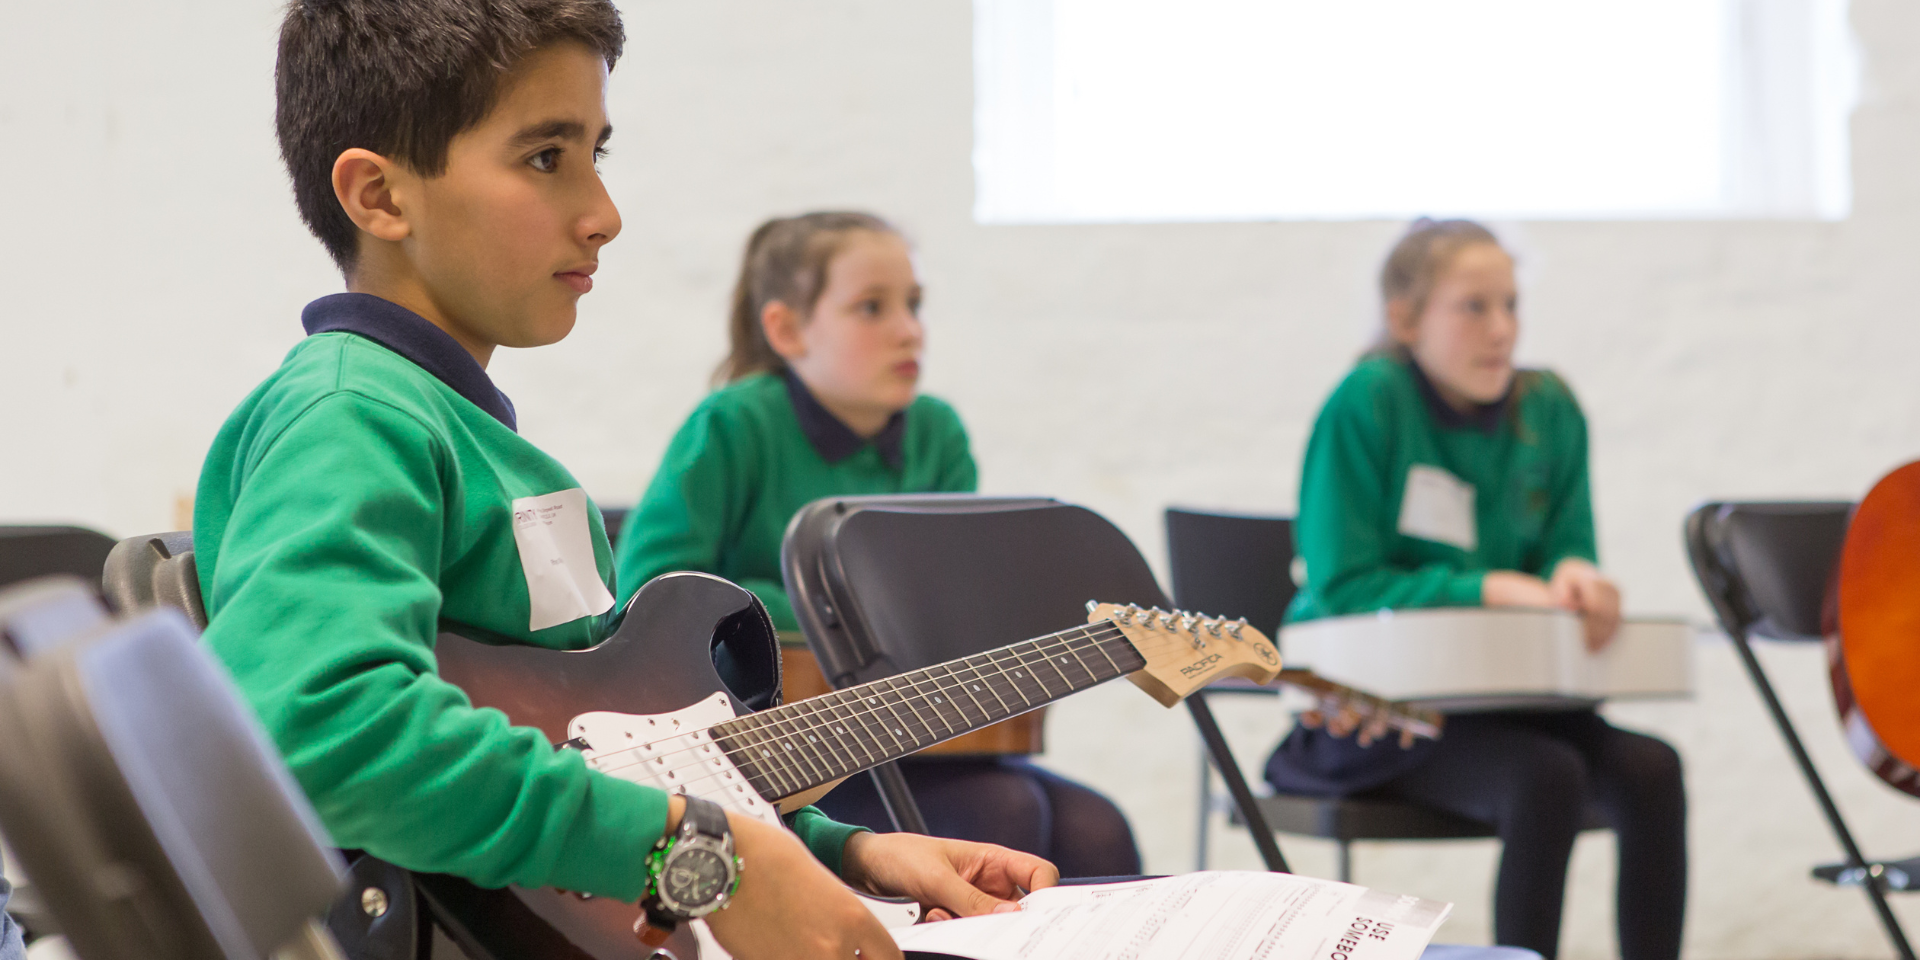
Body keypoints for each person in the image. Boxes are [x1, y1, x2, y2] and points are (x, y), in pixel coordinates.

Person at [195, 5, 1054, 959]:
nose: (604, 214)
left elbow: (606, 754)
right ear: (380, 197)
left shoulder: (471, 438)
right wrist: (711, 863)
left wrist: (839, 851)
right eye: (545, 158)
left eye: (597, 153)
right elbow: (327, 731)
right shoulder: (349, 415)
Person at [614, 211, 1143, 878]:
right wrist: (838, 616)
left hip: (929, 737)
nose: (909, 329)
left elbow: (954, 607)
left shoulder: (938, 434)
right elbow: (651, 588)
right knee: (1006, 814)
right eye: (872, 307)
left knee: (1098, 829)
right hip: (784, 748)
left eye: (914, 305)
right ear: (786, 330)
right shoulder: (731, 426)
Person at [1266, 219, 1685, 960]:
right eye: (1473, 307)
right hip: (1376, 713)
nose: (1502, 330)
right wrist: (1486, 586)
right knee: (1545, 775)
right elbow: (1342, 582)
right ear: (1404, 319)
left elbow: (1567, 544)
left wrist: (1577, 577)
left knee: (1653, 766)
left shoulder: (1549, 407)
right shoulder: (1368, 401)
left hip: (1514, 696)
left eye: (1511, 305)